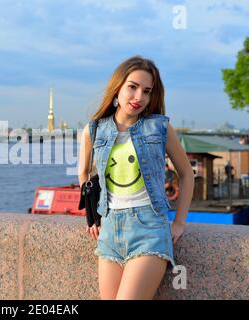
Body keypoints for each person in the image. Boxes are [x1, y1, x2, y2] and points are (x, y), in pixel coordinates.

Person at [78, 56, 194, 300]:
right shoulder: (93, 130)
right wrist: (92, 216)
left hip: (149, 229)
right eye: (132, 87)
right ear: (117, 87)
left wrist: (180, 221)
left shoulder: (159, 127)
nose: (139, 97)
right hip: (109, 231)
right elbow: (84, 174)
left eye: (147, 91)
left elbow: (186, 173)